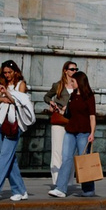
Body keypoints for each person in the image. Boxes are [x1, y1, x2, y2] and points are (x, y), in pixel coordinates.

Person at [0, 60, 34, 202]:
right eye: (5, 73)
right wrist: (0, 98)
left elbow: (20, 101)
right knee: (9, 158)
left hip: (14, 124)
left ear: (15, 72)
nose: (7, 75)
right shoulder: (2, 86)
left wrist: (7, 95)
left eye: (9, 72)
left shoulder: (20, 84)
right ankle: (20, 190)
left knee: (4, 157)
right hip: (1, 122)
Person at [53, 64, 99, 196]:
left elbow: (92, 117)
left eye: (73, 81)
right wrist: (58, 109)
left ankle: (88, 189)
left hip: (84, 132)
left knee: (85, 160)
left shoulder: (89, 96)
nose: (71, 83)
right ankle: (61, 188)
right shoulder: (72, 96)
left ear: (79, 81)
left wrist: (92, 133)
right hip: (70, 131)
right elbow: (67, 112)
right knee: (66, 158)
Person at [44, 63, 75, 191]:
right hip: (59, 121)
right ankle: (57, 181)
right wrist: (52, 103)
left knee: (69, 153)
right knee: (57, 151)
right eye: (72, 69)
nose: (74, 71)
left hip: (72, 121)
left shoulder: (77, 85)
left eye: (75, 69)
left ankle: (67, 181)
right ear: (65, 71)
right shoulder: (58, 85)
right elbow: (46, 96)